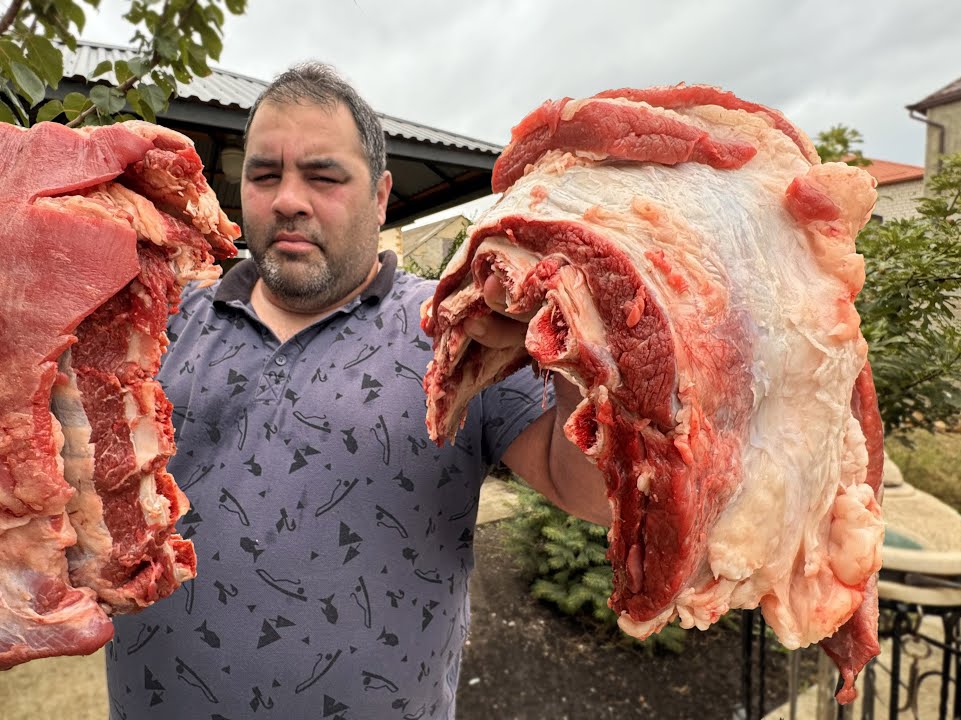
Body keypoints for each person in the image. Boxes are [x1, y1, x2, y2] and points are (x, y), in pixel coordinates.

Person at [106, 61, 608, 720]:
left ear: (379, 195)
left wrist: (578, 338)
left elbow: (590, 493)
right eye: (264, 175)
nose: (288, 199)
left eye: (323, 176)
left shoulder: (461, 327)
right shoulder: (159, 322)